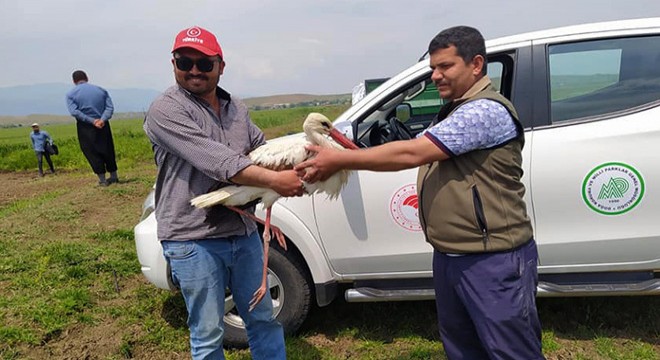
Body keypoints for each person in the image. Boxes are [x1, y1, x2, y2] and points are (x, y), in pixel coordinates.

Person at [296, 26, 545, 360]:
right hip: (452, 256)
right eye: (432, 68)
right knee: (464, 349)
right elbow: (407, 145)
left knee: (510, 351)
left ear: (476, 64)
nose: (435, 76)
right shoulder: (456, 109)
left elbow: (413, 153)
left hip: (492, 259)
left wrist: (340, 158)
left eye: (445, 67)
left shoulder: (484, 111)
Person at [143, 26, 304, 360]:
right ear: (173, 64)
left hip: (242, 232)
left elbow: (260, 149)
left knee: (263, 319)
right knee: (208, 332)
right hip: (192, 237)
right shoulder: (165, 110)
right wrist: (276, 181)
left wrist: (303, 163)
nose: (194, 70)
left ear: (220, 65)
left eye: (204, 63)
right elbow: (218, 162)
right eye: (184, 62)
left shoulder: (236, 108)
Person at [65, 70, 119, 186]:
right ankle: (114, 176)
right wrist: (102, 120)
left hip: (86, 126)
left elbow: (74, 111)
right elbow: (109, 108)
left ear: (74, 81)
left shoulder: (71, 94)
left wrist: (92, 121)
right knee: (107, 148)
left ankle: (102, 180)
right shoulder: (101, 90)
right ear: (87, 78)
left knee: (91, 151)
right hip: (103, 124)